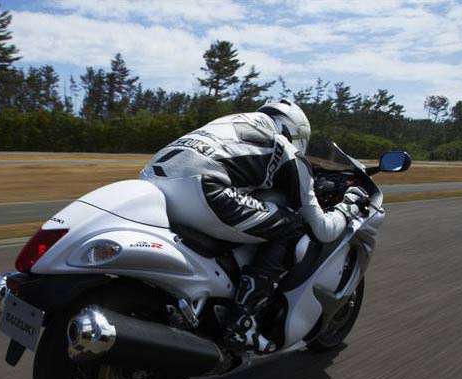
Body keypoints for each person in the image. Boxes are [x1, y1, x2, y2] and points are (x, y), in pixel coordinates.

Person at [140, 100, 369, 354]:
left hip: (153, 182)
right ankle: (242, 321)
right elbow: (323, 230)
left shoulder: (233, 122)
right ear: (297, 134)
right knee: (292, 226)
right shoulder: (286, 148)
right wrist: (349, 205)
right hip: (201, 188)